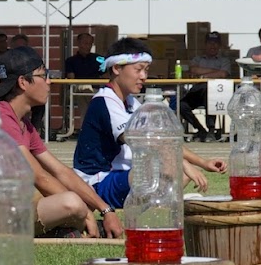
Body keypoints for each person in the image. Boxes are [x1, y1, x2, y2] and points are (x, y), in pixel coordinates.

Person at [73, 37, 226, 208]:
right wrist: (182, 163)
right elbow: (141, 141)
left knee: (176, 165)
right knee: (171, 164)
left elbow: (163, 140)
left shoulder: (131, 101)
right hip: (97, 181)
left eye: (146, 70)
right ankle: (162, 203)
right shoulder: (104, 101)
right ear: (116, 68)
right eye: (138, 70)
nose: (144, 76)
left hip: (121, 176)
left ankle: (161, 203)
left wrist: (203, 163)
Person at [0, 47, 124, 239]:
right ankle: (72, 228)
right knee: (71, 203)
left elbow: (61, 171)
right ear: (23, 82)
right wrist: (85, 212)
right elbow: (38, 176)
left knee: (71, 201)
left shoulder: (23, 124)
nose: (49, 82)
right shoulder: (1, 117)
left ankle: (67, 229)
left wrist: (105, 209)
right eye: (43, 76)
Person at [180, 31, 233, 141]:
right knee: (182, 105)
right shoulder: (197, 59)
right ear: (205, 45)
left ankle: (211, 129)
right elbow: (193, 69)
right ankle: (201, 129)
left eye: (215, 43)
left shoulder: (224, 60)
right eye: (210, 43)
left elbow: (223, 74)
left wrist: (203, 76)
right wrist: (214, 72)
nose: (212, 46)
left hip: (216, 92)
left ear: (219, 46)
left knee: (210, 93)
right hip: (197, 91)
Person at [64, 32, 103, 129]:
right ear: (78, 43)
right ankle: (89, 124)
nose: (88, 46)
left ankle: (86, 125)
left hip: (96, 90)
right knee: (84, 88)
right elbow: (71, 78)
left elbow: (106, 75)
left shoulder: (98, 59)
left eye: (90, 44)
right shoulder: (71, 61)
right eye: (85, 43)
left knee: (87, 92)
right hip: (77, 90)